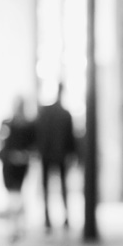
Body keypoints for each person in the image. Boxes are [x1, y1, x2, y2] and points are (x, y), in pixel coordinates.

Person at [35, 83, 77, 233]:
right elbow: (70, 138)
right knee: (62, 187)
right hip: (59, 154)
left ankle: (48, 218)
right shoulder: (64, 114)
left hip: (48, 154)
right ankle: (63, 217)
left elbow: (39, 134)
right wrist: (72, 154)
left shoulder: (46, 112)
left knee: (48, 187)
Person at [0, 96, 35, 243]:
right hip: (10, 163)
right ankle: (17, 225)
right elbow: (0, 139)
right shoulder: (8, 123)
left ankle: (16, 226)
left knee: (16, 195)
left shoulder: (27, 125)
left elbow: (33, 145)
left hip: (19, 165)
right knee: (14, 195)